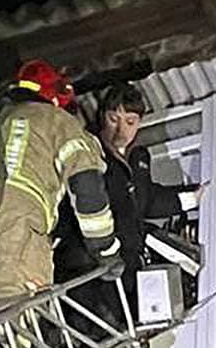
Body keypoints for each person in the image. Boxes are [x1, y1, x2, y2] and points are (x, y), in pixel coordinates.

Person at [0, 60, 121, 330]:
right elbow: (86, 183)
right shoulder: (56, 119)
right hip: (15, 209)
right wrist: (107, 250)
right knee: (15, 300)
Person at [53, 82, 204, 327]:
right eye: (114, 119)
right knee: (91, 330)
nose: (121, 130)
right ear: (102, 117)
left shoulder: (137, 159)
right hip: (88, 267)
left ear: (140, 123)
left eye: (130, 122)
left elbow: (147, 201)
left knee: (120, 328)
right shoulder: (88, 153)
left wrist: (192, 198)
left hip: (125, 267)